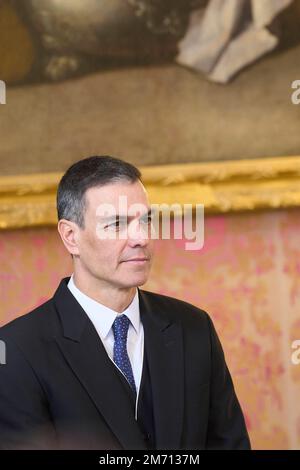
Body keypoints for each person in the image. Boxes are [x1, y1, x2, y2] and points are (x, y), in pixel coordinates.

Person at [0, 155, 250, 450]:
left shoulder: (194, 327)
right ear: (71, 236)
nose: (141, 237)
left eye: (145, 220)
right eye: (117, 224)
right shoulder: (17, 350)